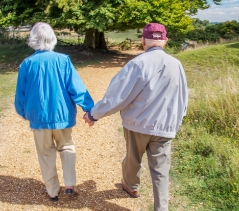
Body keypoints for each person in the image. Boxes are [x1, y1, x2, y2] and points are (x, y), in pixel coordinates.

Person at [83, 23, 188, 211]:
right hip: (165, 126)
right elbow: (183, 97)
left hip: (137, 124)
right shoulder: (176, 64)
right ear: (165, 40)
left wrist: (94, 114)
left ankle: (131, 188)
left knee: (133, 158)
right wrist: (177, 120)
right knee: (161, 170)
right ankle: (161, 208)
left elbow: (116, 96)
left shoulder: (138, 63)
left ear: (143, 40)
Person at [14, 22, 94, 202]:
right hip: (62, 116)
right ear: (52, 39)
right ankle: (70, 184)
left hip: (39, 118)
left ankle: (52, 191)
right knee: (66, 147)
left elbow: (21, 93)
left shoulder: (27, 64)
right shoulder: (63, 60)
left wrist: (23, 112)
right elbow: (76, 88)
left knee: (45, 153)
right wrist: (89, 109)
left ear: (33, 40)